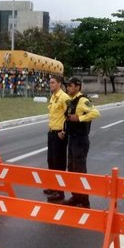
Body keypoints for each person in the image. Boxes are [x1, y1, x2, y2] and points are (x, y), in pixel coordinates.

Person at [62, 76, 100, 208]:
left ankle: (84, 201)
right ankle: (75, 196)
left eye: (71, 85)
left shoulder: (83, 100)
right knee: (72, 170)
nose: (68, 88)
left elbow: (95, 113)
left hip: (80, 140)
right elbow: (68, 118)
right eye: (67, 86)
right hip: (72, 139)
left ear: (78, 87)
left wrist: (80, 118)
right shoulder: (71, 101)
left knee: (79, 170)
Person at [45, 74, 70, 203]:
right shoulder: (53, 97)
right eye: (50, 82)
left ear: (59, 84)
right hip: (51, 133)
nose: (51, 84)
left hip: (60, 134)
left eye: (53, 82)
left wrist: (64, 131)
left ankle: (59, 192)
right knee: (51, 161)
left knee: (59, 163)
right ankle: (52, 186)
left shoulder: (64, 97)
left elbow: (69, 116)